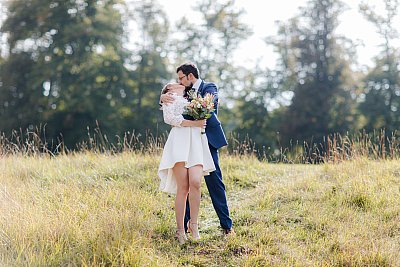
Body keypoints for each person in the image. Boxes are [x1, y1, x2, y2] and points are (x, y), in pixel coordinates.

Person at [160, 63, 234, 236]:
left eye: (181, 78)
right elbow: (173, 105)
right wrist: (162, 97)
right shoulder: (183, 91)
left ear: (190, 76)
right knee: (186, 184)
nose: (179, 81)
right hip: (188, 142)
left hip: (208, 140)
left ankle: (227, 226)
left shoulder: (209, 87)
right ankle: (185, 227)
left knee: (215, 183)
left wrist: (166, 97)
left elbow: (209, 105)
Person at [158, 83, 216, 244]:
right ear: (169, 90)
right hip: (179, 142)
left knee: (196, 182)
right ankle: (180, 230)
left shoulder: (192, 96)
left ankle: (194, 224)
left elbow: (210, 101)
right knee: (183, 188)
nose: (179, 83)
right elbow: (169, 119)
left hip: (196, 141)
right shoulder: (169, 98)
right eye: (174, 83)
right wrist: (162, 98)